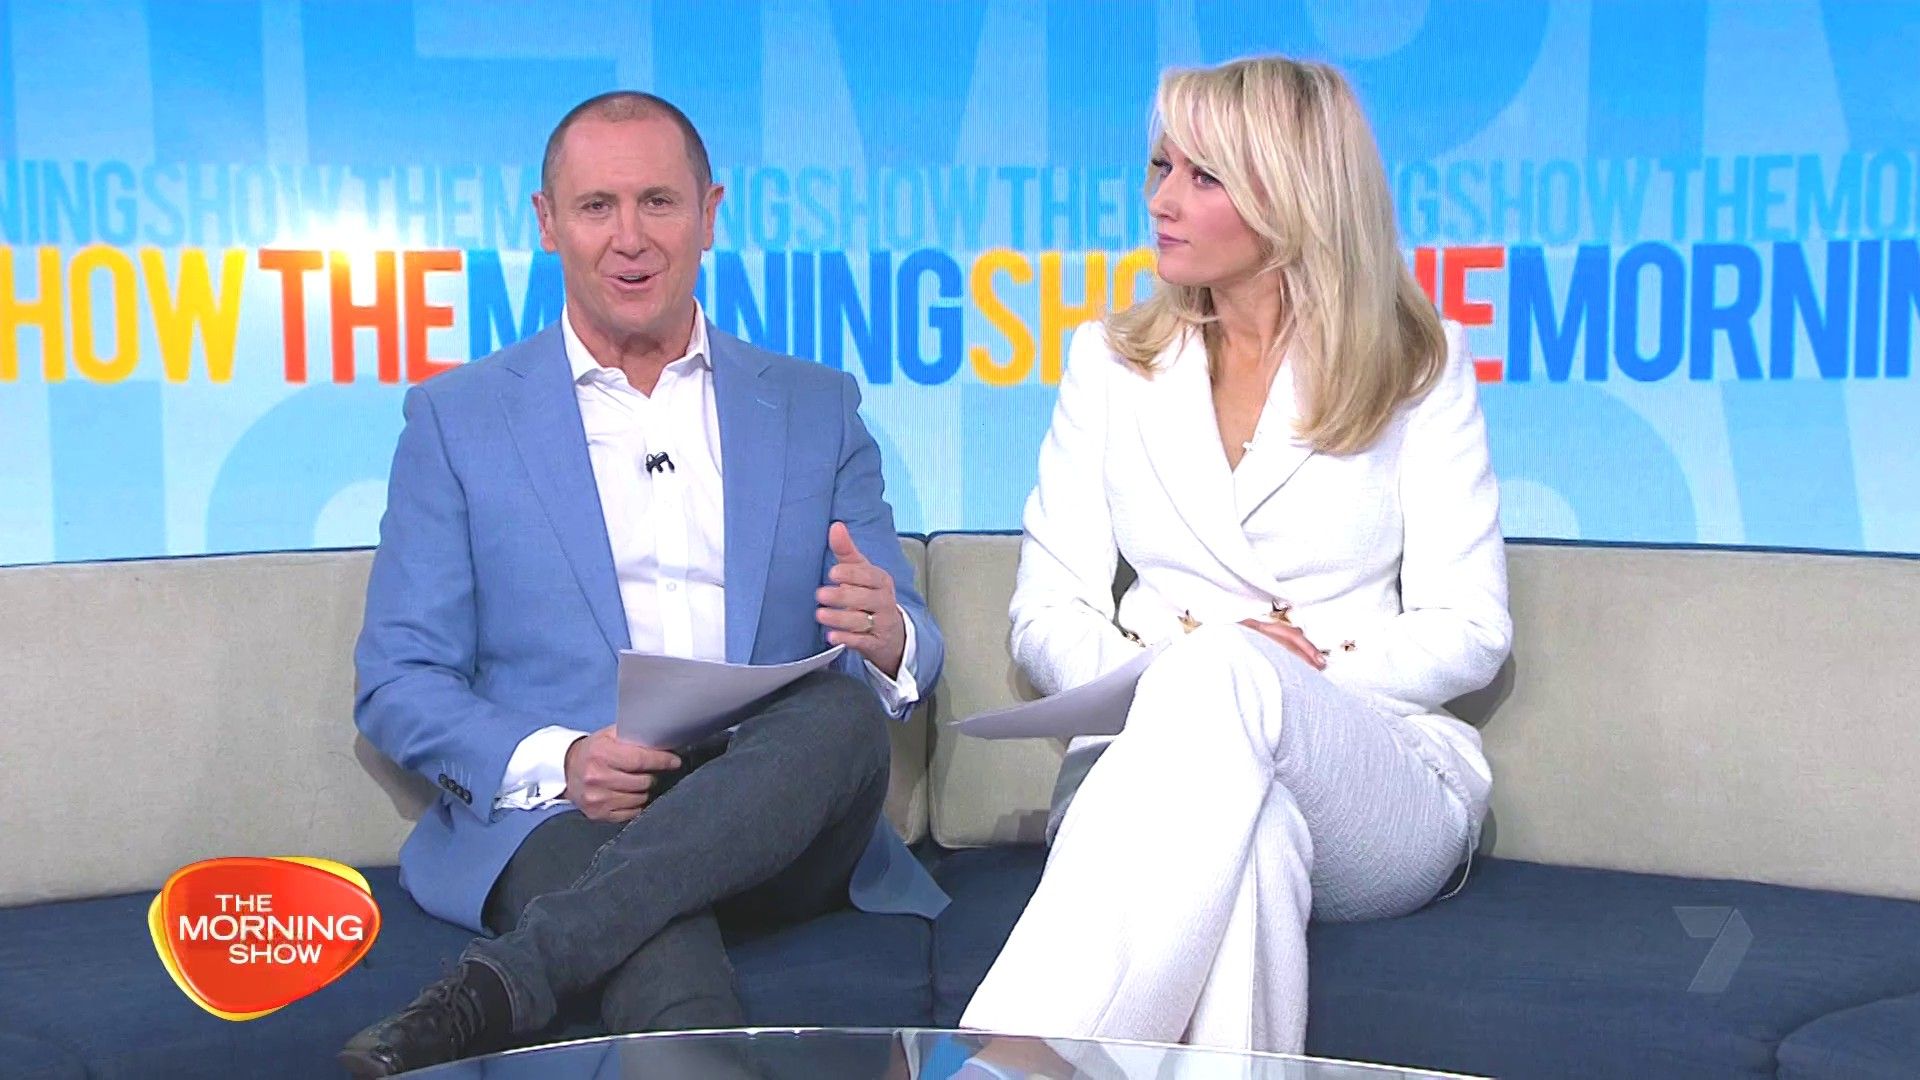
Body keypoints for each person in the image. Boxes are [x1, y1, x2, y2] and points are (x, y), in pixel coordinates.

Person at [338, 90, 946, 1077]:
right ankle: (558, 962)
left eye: (659, 202)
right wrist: (565, 757)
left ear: (710, 213)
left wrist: (890, 637)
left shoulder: (815, 405)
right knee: (652, 929)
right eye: (597, 207)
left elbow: (908, 624)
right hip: (574, 816)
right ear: (547, 222)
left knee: (838, 716)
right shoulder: (458, 420)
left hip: (775, 813)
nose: (630, 238)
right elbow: (398, 681)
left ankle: (502, 982)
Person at [958, 56, 1511, 1053]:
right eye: (1161, 167)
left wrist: (1276, 670)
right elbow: (1045, 615)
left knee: (1225, 668)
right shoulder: (1109, 362)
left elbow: (1471, 629)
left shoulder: (1417, 367)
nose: (1162, 200)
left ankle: (1015, 1062)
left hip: (1370, 769)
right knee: (1250, 848)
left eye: (1203, 177)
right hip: (1143, 770)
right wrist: (1182, 679)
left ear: (1294, 196)